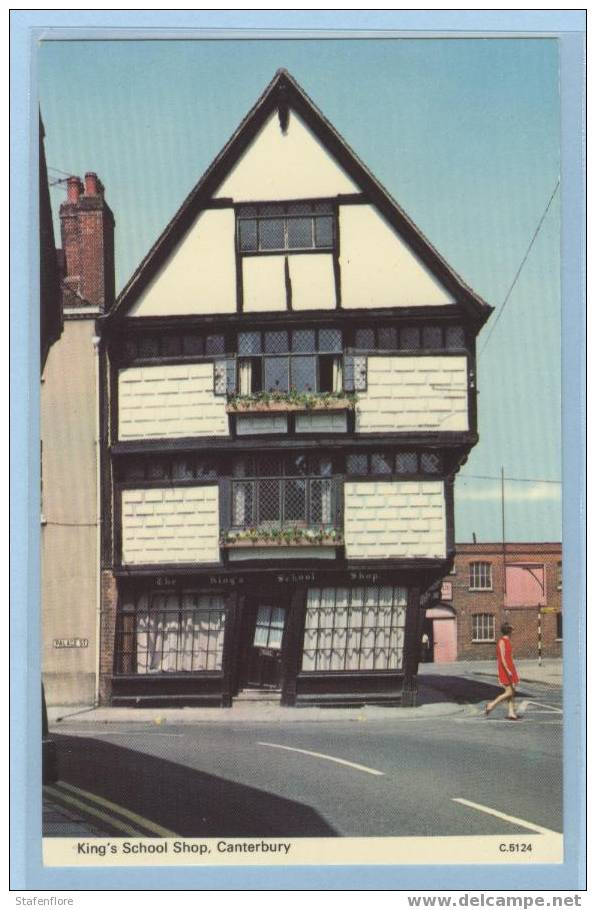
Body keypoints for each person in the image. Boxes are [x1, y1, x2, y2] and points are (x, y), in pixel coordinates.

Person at [485, 622, 520, 720]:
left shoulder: (508, 640)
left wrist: (512, 669)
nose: (513, 631)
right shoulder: (501, 641)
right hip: (505, 669)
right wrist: (508, 670)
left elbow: (510, 656)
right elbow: (502, 658)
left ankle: (511, 712)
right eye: (511, 629)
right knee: (509, 692)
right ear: (508, 631)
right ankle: (491, 704)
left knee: (512, 691)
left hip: (510, 667)